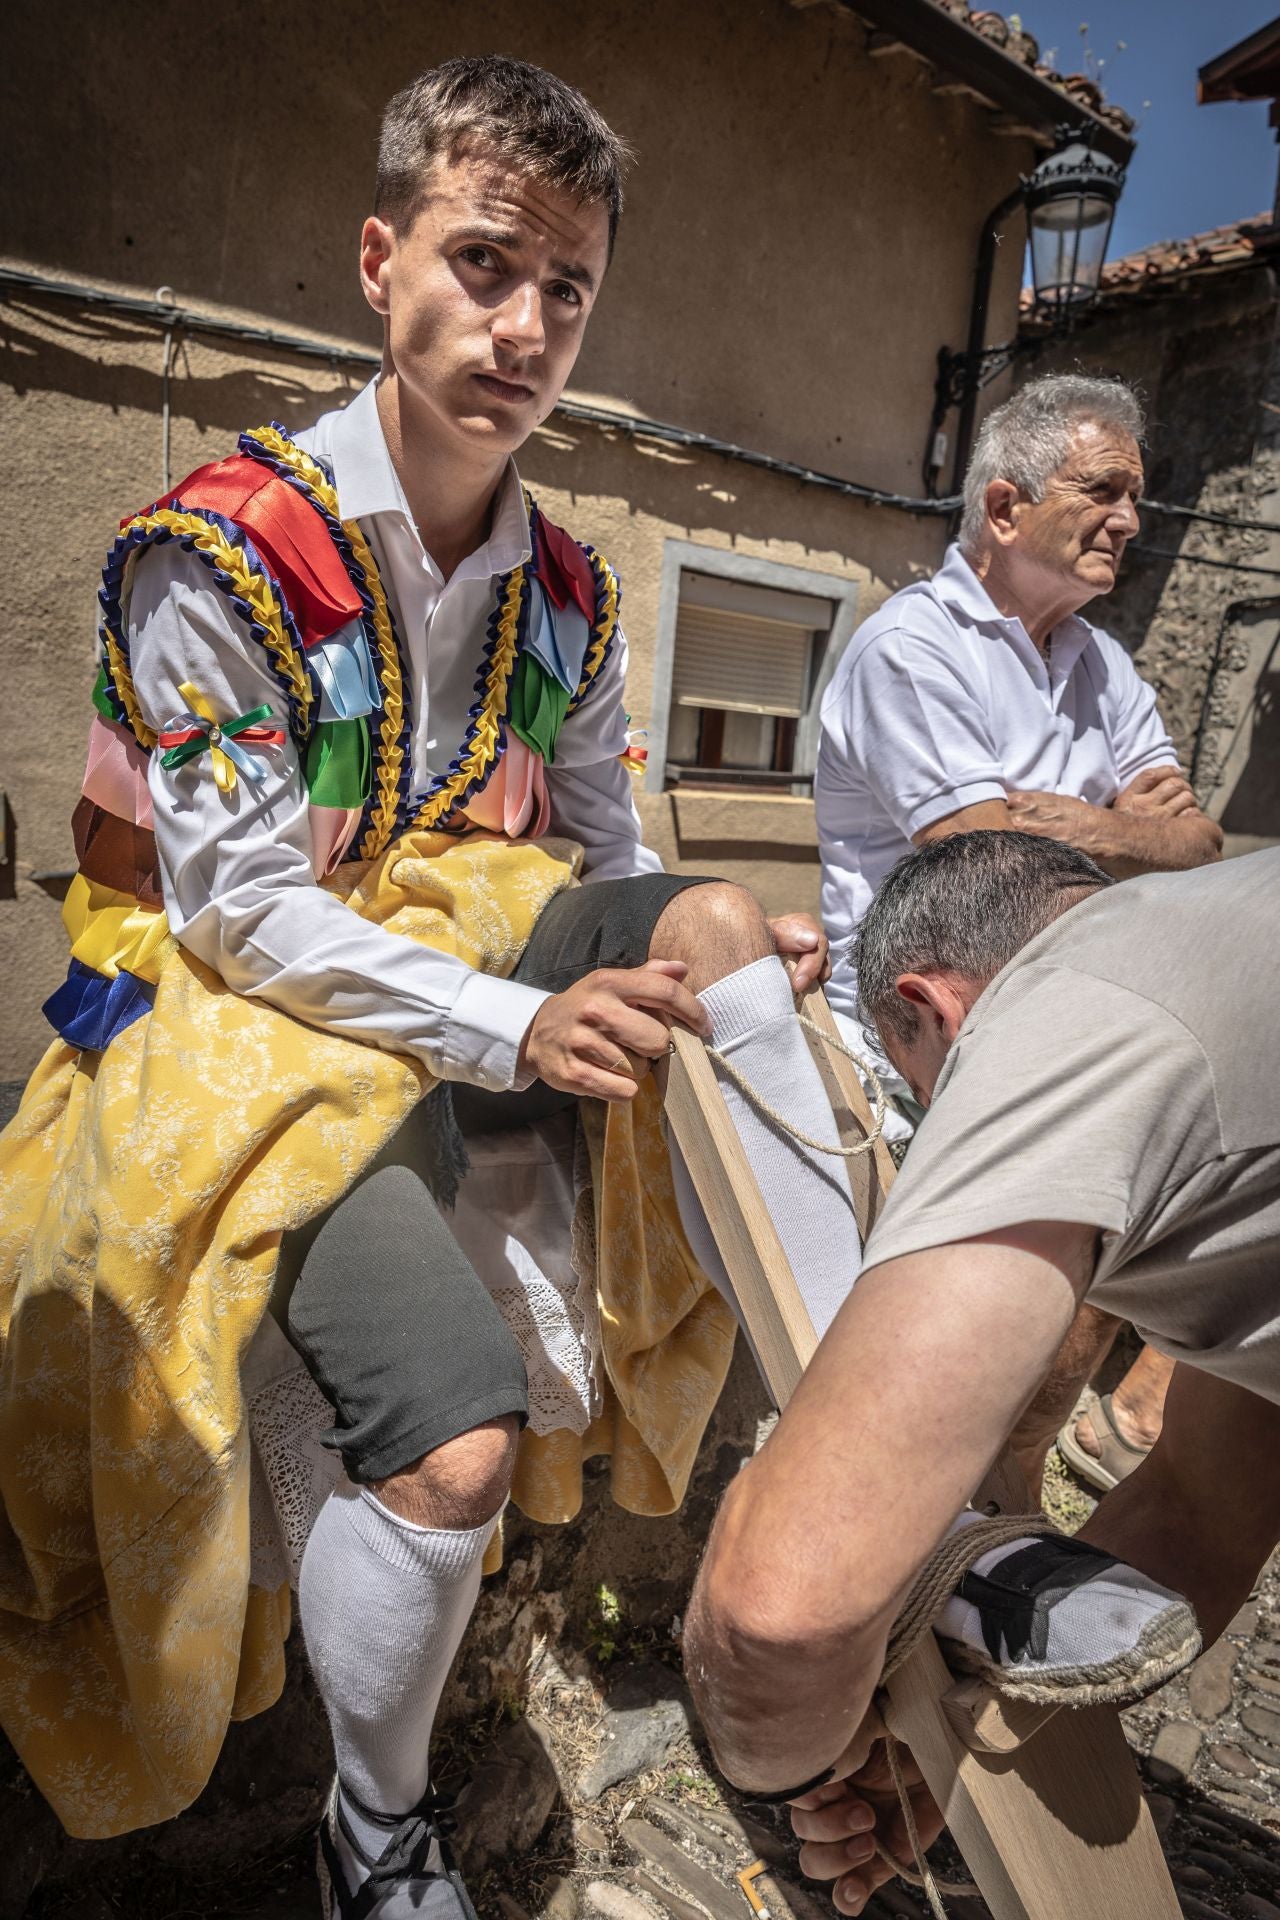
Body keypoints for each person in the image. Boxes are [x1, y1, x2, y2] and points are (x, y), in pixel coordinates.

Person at [0, 57, 864, 1920]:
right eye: (487, 263)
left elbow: (610, 853)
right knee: (456, 1447)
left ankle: (875, 1455)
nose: (529, 324)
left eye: (569, 289)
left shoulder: (569, 587)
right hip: (230, 1022)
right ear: (381, 257)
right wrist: (515, 1028)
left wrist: (708, 934)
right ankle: (372, 1828)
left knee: (713, 920)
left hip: (466, 961)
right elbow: (235, 915)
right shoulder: (219, 548)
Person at [684, 831, 1280, 1916]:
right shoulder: (1223, 959)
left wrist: (802, 1760)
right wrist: (937, 1734)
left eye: (923, 1096)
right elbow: (1204, 1502)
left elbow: (775, 1609)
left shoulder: (1067, 1013)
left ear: (937, 1012)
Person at [814, 371, 1223, 1486]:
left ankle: (1016, 1469)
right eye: (1102, 490)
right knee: (1126, 1184)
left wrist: (1084, 828)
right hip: (929, 1015)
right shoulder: (913, 648)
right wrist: (1118, 836)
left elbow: (1197, 844)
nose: (1129, 521)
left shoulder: (1103, 666)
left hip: (1070, 1000)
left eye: (1134, 498)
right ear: (1003, 510)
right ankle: (961, 1479)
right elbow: (981, 872)